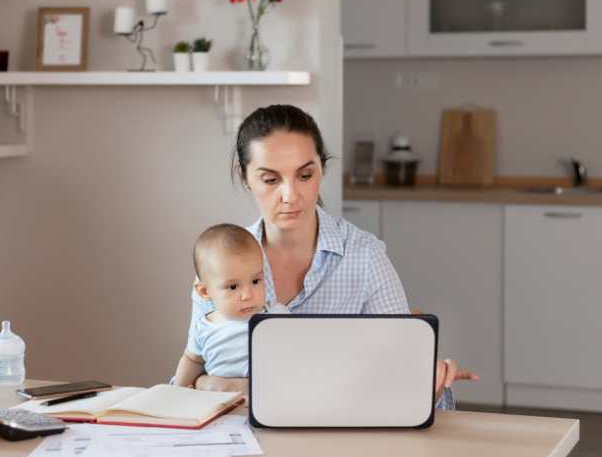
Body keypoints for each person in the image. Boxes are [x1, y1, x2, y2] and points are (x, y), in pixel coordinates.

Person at [186, 104, 477, 408]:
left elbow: (402, 382)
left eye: (305, 175)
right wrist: (205, 383)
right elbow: (191, 374)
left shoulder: (365, 258)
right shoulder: (220, 263)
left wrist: (430, 382)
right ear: (245, 177)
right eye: (271, 180)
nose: (290, 195)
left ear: (321, 170)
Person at [173, 223, 267, 387]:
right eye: (233, 287)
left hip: (263, 402)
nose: (248, 295)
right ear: (204, 292)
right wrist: (175, 391)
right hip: (217, 405)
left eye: (255, 281)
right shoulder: (205, 327)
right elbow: (192, 360)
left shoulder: (272, 317)